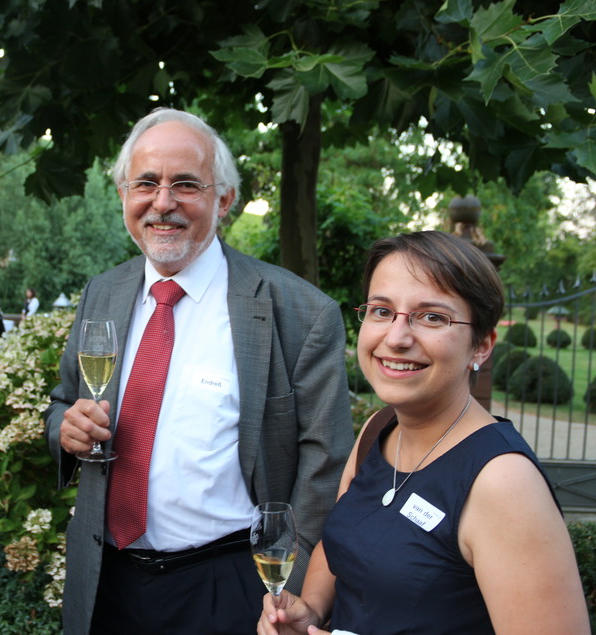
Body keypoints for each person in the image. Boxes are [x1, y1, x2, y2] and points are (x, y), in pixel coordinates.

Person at [44, 108, 354, 635]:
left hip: (227, 586)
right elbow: (63, 403)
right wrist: (65, 431)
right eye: (146, 183)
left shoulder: (299, 311)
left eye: (185, 184)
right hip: (106, 580)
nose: (162, 203)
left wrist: (288, 589)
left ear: (224, 199)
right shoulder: (104, 292)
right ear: (124, 193)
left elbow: (325, 465)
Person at [258, 231, 590, 635]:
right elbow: (340, 544)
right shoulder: (379, 430)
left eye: (432, 317)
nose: (396, 338)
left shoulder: (503, 483)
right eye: (382, 311)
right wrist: (310, 610)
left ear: (482, 345)